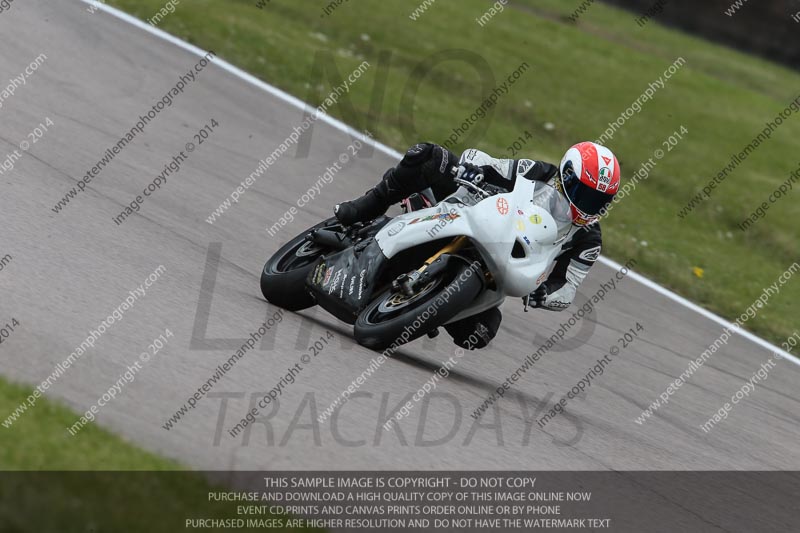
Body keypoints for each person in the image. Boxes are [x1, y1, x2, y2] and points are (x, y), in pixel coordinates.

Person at [334, 141, 621, 350]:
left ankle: (427, 303)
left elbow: (568, 286)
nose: (590, 206)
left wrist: (544, 294)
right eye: (586, 195)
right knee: (429, 156)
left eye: (600, 201)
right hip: (472, 213)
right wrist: (474, 170)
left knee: (480, 334)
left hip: (499, 269)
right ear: (566, 178)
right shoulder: (538, 172)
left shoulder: (588, 239)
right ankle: (367, 206)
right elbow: (494, 165)